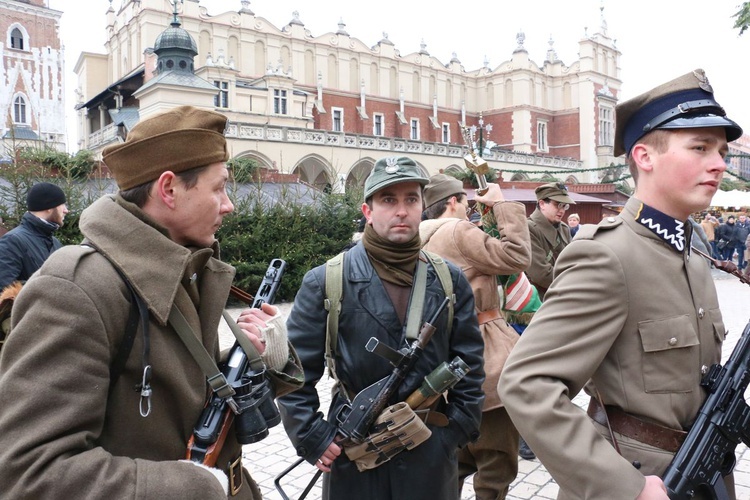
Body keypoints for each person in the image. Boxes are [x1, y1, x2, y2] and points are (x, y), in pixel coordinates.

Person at [0, 106, 303, 499]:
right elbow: (29, 473)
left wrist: (258, 357)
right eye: (218, 188)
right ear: (169, 189)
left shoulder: (183, 265)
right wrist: (192, 489)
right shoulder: (76, 289)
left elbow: (176, 387)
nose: (229, 205)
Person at [499, 69, 742, 499]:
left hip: (706, 473)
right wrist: (625, 487)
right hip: (643, 481)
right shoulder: (606, 254)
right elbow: (527, 383)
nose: (720, 163)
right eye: (700, 147)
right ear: (645, 156)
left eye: (721, 151)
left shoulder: (694, 248)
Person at [277, 156, 485, 500]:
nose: (401, 211)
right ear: (368, 210)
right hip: (355, 451)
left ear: (422, 207)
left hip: (427, 450)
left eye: (410, 199)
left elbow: (472, 365)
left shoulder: (450, 279)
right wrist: (313, 435)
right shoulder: (327, 280)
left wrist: (453, 434)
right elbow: (295, 373)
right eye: (388, 200)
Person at [419, 174, 531, 500]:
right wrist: (501, 205)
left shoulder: (415, 238)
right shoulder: (456, 231)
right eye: (465, 201)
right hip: (486, 359)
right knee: (495, 464)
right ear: (453, 201)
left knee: (453, 461)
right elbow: (517, 256)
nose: (468, 208)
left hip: (441, 364)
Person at [0, 182, 68, 289]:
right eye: (62, 205)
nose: (66, 210)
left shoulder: (55, 243)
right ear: (49, 207)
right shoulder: (12, 241)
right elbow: (5, 290)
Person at [526, 182, 575, 300]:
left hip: (562, 294)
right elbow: (541, 275)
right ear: (542, 204)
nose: (562, 210)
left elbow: (572, 260)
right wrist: (575, 280)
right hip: (539, 301)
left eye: (565, 206)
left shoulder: (563, 229)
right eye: (558, 205)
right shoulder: (528, 228)